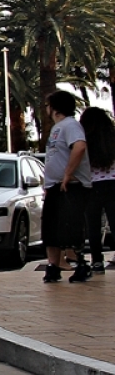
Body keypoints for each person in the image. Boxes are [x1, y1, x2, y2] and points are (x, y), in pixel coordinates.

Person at [41, 91, 92, 283]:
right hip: (55, 187)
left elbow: (79, 147)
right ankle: (53, 266)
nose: (46, 109)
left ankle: (80, 264)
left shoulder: (71, 125)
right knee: (51, 229)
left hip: (72, 186)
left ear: (54, 107)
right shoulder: (58, 128)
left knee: (70, 228)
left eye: (48, 105)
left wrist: (67, 175)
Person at [80, 106, 115, 274]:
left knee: (92, 226)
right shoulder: (111, 139)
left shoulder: (85, 140)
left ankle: (97, 261)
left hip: (91, 186)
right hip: (112, 184)